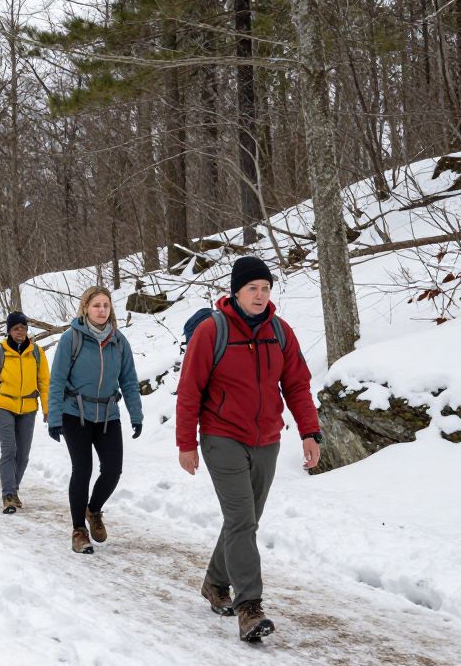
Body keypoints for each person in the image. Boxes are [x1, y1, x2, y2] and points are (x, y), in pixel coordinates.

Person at [176, 256, 321, 642]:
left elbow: (297, 385)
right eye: (252, 289)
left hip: (267, 440)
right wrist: (186, 443)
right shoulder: (212, 331)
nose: (260, 295)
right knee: (242, 519)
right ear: (236, 292)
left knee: (245, 520)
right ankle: (249, 607)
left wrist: (310, 431)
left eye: (266, 288)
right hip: (222, 436)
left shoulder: (280, 332)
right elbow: (190, 390)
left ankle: (213, 583)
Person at [47, 286, 142, 554]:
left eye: (106, 306)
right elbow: (57, 381)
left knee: (113, 470)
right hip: (74, 413)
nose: (102, 310)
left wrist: (136, 414)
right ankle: (79, 530)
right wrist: (54, 418)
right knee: (83, 470)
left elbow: (129, 381)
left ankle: (94, 509)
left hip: (108, 414)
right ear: (85, 308)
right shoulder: (71, 339)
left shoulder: (119, 342)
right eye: (96, 305)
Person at [0, 311, 50, 514]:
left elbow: (45, 384)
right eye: (16, 328)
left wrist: (47, 409)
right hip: (3, 406)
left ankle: (14, 489)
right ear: (9, 331)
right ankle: (8, 494)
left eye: (23, 328)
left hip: (28, 408)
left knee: (24, 455)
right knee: (9, 449)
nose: (20, 332)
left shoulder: (36, 352)